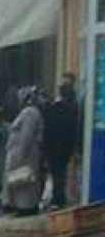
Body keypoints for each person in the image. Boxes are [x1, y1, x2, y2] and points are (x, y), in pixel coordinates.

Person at [2, 90, 44, 216]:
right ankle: (22, 206)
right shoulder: (28, 112)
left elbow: (27, 135)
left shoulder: (29, 113)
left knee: (24, 182)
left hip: (24, 154)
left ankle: (25, 207)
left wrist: (20, 154)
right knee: (21, 182)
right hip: (24, 153)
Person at [42, 74, 81, 209]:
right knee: (61, 173)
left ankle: (57, 200)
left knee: (57, 174)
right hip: (65, 146)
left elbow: (48, 127)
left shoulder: (55, 107)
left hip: (54, 147)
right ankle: (59, 199)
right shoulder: (73, 107)